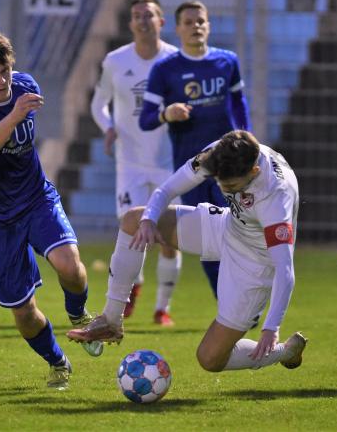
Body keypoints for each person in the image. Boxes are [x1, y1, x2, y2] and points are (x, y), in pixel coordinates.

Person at [67, 131, 307, 374]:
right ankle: (111, 321)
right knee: (133, 220)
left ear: (254, 172)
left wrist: (271, 328)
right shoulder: (221, 152)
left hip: (257, 261)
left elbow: (284, 270)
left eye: (232, 186)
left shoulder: (276, 196)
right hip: (228, 226)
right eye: (220, 182)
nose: (225, 189)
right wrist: (149, 220)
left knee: (210, 359)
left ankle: (284, 350)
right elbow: (166, 190)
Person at [0, 29, 104, 391]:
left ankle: (78, 311)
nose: (1, 79)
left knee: (70, 266)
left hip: (37, 198)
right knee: (22, 310)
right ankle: (57, 361)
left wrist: (17, 108)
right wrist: (13, 117)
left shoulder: (24, 85)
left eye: (4, 69)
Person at [138, 0, 251, 299]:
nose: (196, 27)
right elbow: (146, 119)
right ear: (178, 29)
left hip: (229, 167)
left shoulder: (227, 62)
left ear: (208, 25)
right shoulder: (165, 69)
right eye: (189, 22)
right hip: (193, 168)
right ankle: (227, 301)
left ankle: (240, 299)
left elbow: (239, 103)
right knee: (208, 241)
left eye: (200, 21)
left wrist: (246, 137)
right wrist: (167, 113)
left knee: (237, 233)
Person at [90, 0, 181, 326]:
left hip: (170, 161)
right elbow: (98, 104)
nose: (143, 20)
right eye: (137, 15)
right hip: (129, 162)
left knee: (171, 236)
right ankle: (133, 287)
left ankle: (162, 309)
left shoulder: (176, 59)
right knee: (130, 229)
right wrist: (109, 127)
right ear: (130, 23)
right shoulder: (115, 61)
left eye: (150, 15)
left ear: (161, 22)